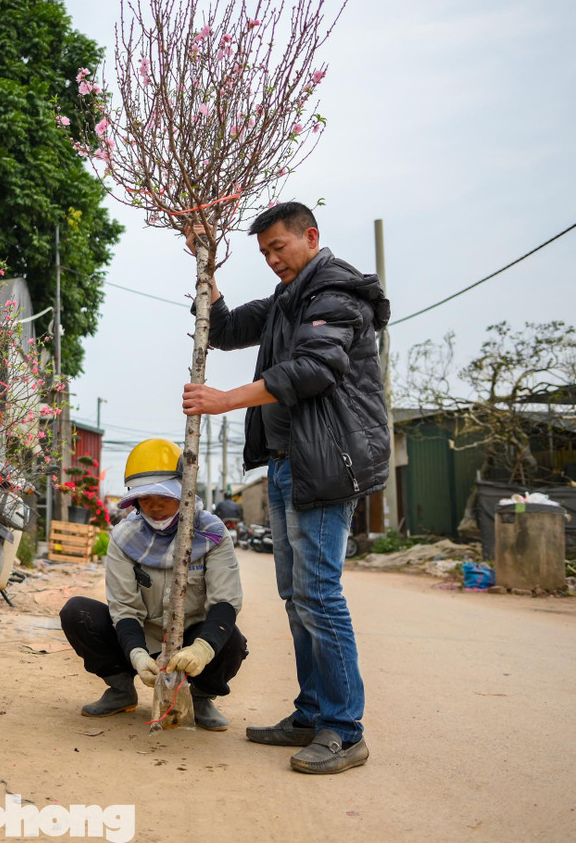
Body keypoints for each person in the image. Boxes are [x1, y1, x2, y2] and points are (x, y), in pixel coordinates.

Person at [182, 201, 390, 774]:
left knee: (320, 596)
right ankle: (311, 713)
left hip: (322, 464)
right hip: (282, 463)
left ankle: (345, 731)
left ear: (310, 236)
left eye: (280, 247)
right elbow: (223, 329)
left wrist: (224, 400)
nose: (274, 260)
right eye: (265, 252)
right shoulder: (285, 302)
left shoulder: (336, 297)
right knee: (297, 600)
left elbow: (312, 370)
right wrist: (205, 259)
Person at [59, 439, 249, 731]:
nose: (155, 506)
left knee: (231, 639)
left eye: (164, 496)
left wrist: (201, 649)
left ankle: (200, 698)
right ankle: (121, 690)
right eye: (145, 498)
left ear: (184, 492)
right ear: (134, 501)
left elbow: (226, 601)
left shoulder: (213, 534)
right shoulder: (124, 538)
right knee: (77, 612)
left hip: (192, 638)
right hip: (143, 635)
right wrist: (136, 653)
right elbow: (124, 608)